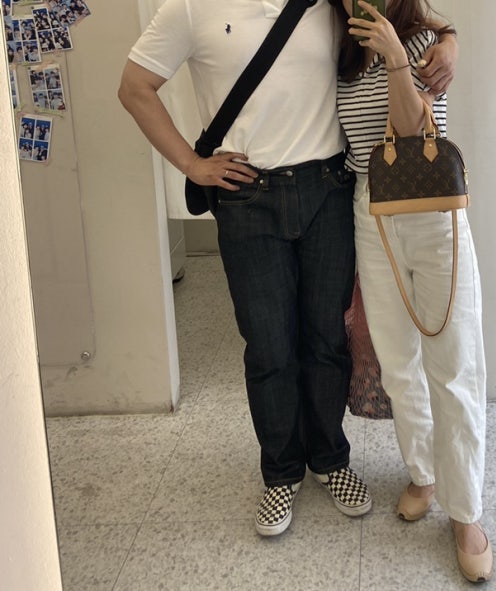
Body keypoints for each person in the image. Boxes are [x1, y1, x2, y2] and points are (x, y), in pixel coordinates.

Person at [117, 0, 458, 538]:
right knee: (269, 347)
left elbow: (408, 18)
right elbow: (134, 87)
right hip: (246, 198)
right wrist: (191, 164)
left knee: (326, 339)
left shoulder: (328, 3)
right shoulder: (189, 7)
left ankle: (330, 459)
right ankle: (280, 473)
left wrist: (450, 41)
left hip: (328, 190)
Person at [328, 0, 491, 582]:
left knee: (454, 362)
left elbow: (412, 128)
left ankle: (466, 511)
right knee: (399, 362)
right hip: (370, 211)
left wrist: (399, 55)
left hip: (433, 211)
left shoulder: (423, 43)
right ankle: (424, 473)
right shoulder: (341, 49)